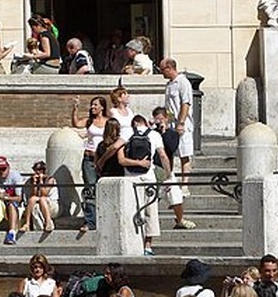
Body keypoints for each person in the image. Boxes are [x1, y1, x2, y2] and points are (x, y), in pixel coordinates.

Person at [118, 114, 163, 255]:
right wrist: (168, 176)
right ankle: (147, 246)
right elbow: (163, 155)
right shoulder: (155, 135)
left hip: (130, 179)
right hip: (149, 179)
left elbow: (115, 149)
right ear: (144, 123)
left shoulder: (127, 132)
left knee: (133, 211)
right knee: (151, 212)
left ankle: (133, 245)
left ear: (134, 123)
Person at [152, 107, 195, 229]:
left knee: (176, 197)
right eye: (157, 119)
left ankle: (180, 219)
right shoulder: (152, 134)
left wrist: (164, 132)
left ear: (166, 119)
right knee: (153, 197)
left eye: (161, 119)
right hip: (154, 169)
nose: (159, 122)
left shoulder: (172, 134)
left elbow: (171, 148)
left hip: (167, 171)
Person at [72, 96, 110, 232]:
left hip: (103, 158)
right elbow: (76, 123)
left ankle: (104, 218)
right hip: (89, 158)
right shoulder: (89, 121)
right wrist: (75, 109)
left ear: (102, 107)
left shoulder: (109, 122)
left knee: (104, 188)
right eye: (92, 105)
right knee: (90, 189)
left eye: (95, 105)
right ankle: (90, 221)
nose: (92, 107)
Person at [159, 57, 195, 186]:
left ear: (169, 68)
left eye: (162, 69)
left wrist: (181, 122)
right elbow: (168, 107)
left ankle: (185, 184)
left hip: (182, 124)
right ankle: (171, 180)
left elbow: (186, 103)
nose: (161, 72)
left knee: (184, 154)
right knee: (170, 151)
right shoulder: (169, 85)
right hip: (171, 124)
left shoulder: (182, 82)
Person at [20, 160, 58, 233]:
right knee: (32, 199)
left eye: (41, 170)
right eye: (37, 170)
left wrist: (41, 181)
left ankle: (48, 222)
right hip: (38, 202)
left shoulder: (50, 180)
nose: (38, 172)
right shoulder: (30, 180)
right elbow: (33, 195)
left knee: (42, 199)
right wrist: (34, 183)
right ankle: (27, 223)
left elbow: (44, 193)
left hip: (51, 203)